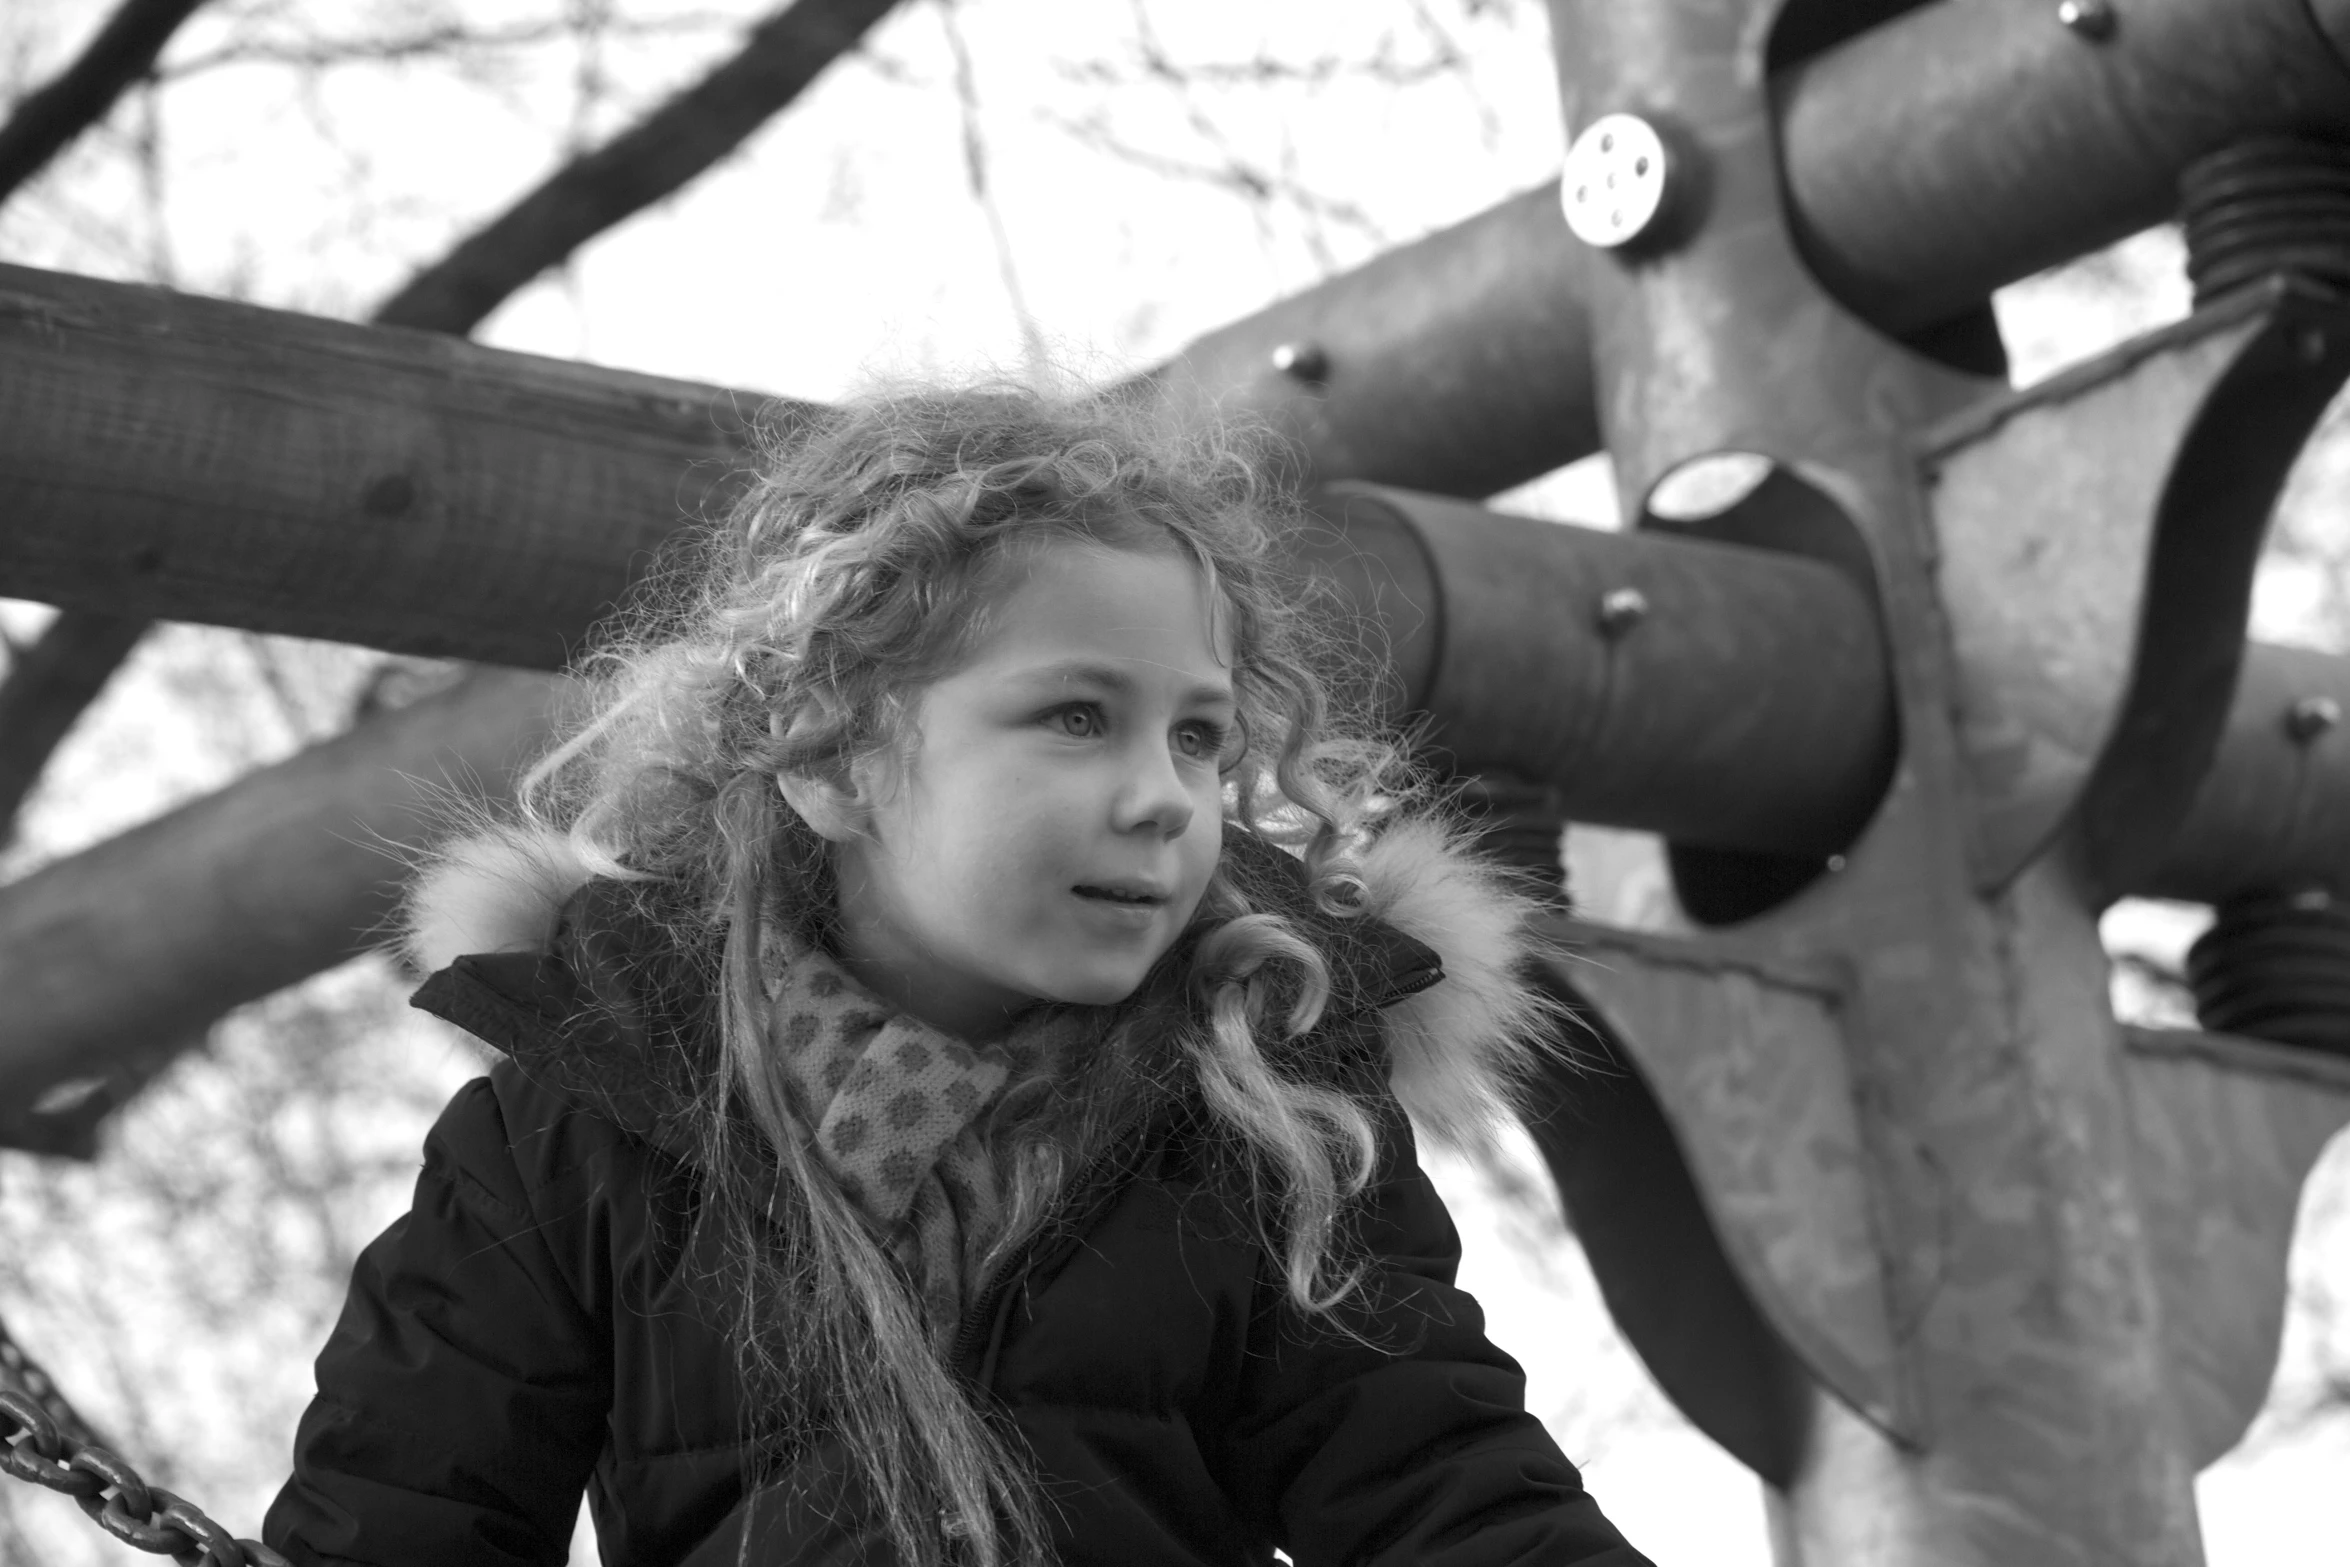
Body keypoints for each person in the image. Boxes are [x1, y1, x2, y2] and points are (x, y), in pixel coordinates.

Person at [264, 384, 1649, 1567]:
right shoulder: (577, 1128)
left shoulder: (1264, 1114)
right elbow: (401, 1513)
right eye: (1076, 715)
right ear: (827, 759)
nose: (1166, 795)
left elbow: (1447, 1488)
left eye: (1198, 737)